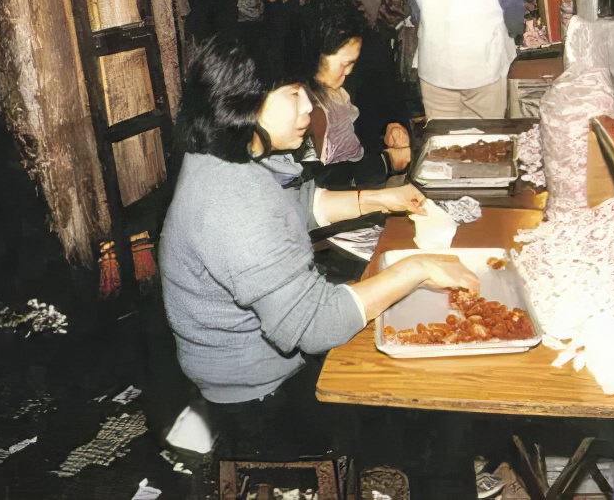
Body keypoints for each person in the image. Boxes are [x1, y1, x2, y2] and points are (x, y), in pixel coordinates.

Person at [158, 31, 478, 460]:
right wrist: (415, 267)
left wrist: (379, 198)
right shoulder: (233, 200)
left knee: (412, 328)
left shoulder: (225, 157)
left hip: (252, 372)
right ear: (244, 104)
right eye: (293, 95)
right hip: (264, 401)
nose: (308, 106)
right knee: (437, 403)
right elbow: (314, 326)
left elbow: (299, 205)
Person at [292, 0, 413, 190]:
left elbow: (387, 101)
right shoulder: (296, 103)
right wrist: (386, 162)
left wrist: (392, 125)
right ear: (316, 55)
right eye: (345, 63)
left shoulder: (347, 81)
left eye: (353, 63)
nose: (348, 71)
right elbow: (323, 182)